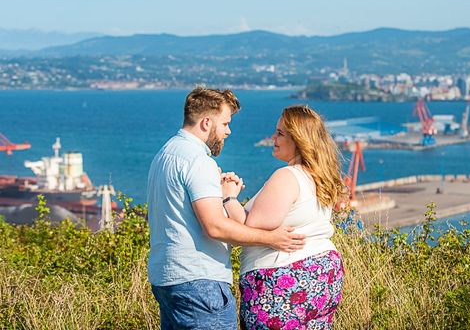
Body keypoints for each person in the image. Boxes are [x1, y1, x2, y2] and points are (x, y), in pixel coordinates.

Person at [147, 87, 306, 330]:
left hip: (166, 278)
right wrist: (271, 238)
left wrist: (222, 196)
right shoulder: (199, 161)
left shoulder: (165, 155)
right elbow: (214, 227)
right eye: (225, 124)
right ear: (206, 122)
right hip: (199, 280)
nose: (228, 131)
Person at [223, 105, 346, 330]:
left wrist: (228, 197)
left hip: (284, 278)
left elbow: (249, 226)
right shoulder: (320, 176)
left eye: (280, 133)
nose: (274, 138)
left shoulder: (287, 176)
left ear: (298, 139)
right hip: (324, 274)